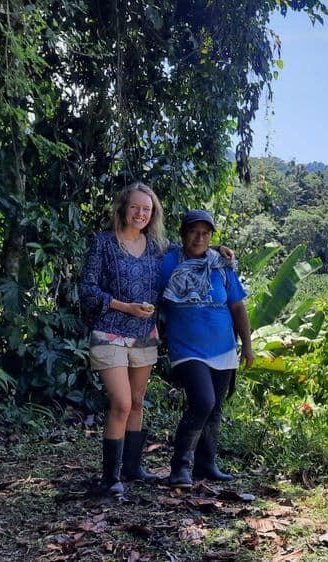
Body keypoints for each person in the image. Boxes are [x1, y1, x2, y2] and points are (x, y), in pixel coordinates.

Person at [79, 184, 232, 494]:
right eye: (135, 207)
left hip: (144, 334)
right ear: (123, 208)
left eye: (146, 209)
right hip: (110, 331)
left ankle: (132, 468)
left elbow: (192, 248)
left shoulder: (157, 247)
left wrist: (218, 248)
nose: (140, 213)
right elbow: (87, 290)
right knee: (121, 403)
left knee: (137, 403)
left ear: (153, 214)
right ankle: (110, 478)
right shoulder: (104, 243)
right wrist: (124, 307)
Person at [158, 209, 254, 489]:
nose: (199, 238)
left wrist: (247, 346)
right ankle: (179, 467)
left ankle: (206, 464)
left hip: (223, 348)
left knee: (215, 408)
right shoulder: (169, 262)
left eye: (206, 233)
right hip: (187, 348)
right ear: (183, 234)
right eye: (193, 232)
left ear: (211, 237)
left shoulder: (220, 266)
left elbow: (237, 307)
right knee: (202, 401)